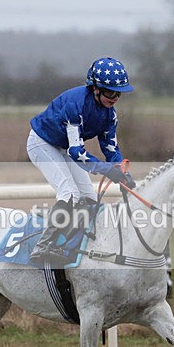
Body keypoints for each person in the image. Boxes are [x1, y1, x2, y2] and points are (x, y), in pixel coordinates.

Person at [26, 56, 137, 265]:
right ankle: (43, 247)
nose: (115, 98)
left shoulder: (110, 116)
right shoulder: (75, 105)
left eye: (119, 93)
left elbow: (111, 150)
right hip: (42, 143)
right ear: (95, 88)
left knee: (89, 199)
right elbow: (77, 152)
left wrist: (122, 172)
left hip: (63, 147)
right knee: (69, 194)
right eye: (110, 92)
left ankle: (67, 245)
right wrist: (107, 170)